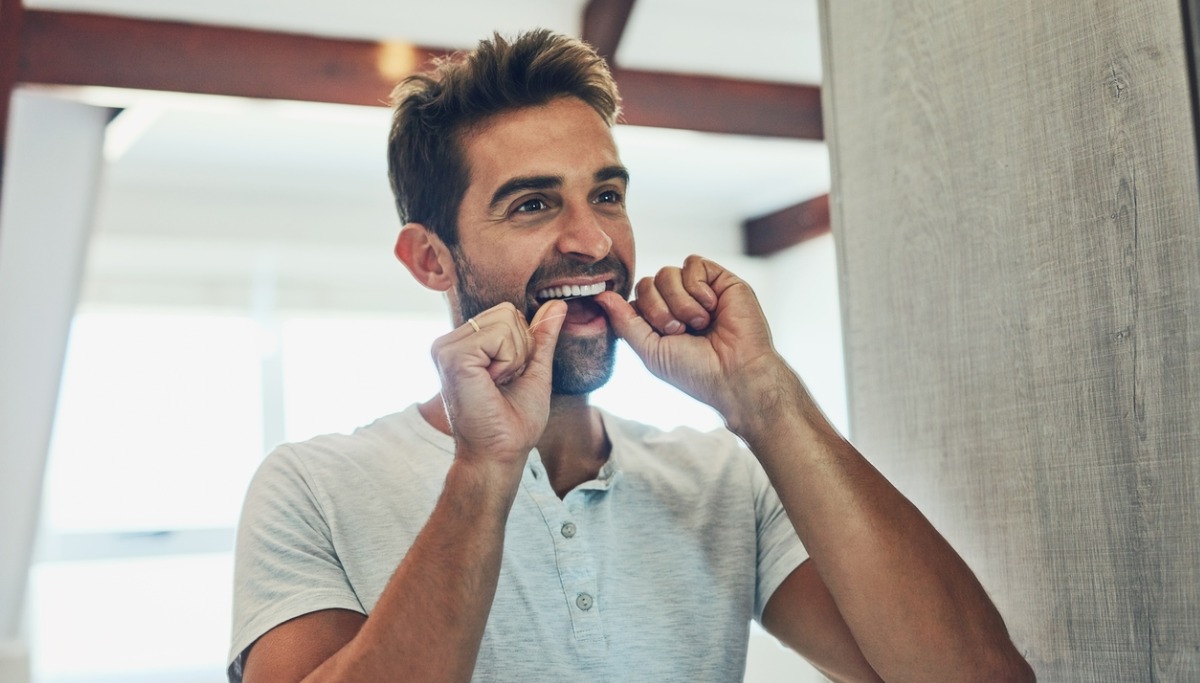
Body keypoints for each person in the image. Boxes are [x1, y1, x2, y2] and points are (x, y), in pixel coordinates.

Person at [228, 29, 1034, 683]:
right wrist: (484, 470)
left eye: (606, 195)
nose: (593, 241)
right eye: (534, 203)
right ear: (431, 260)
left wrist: (765, 399)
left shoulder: (723, 479)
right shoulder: (311, 487)